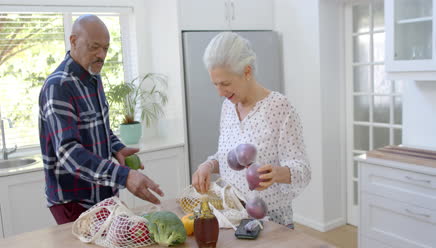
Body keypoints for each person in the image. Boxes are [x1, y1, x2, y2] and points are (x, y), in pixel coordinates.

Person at [38, 15, 164, 225]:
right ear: (73, 41)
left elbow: (99, 127)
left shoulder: (93, 76)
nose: (101, 55)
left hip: (102, 194)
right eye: (94, 47)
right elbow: (69, 153)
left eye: (105, 48)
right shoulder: (58, 86)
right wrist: (124, 176)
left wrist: (116, 147)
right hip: (74, 200)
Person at [191, 32, 311, 228]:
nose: (220, 93)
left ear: (247, 72)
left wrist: (277, 174)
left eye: (225, 84)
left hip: (272, 224)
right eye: (215, 84)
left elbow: (303, 169)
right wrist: (209, 165)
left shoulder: (279, 107)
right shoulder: (228, 107)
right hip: (232, 218)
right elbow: (229, 157)